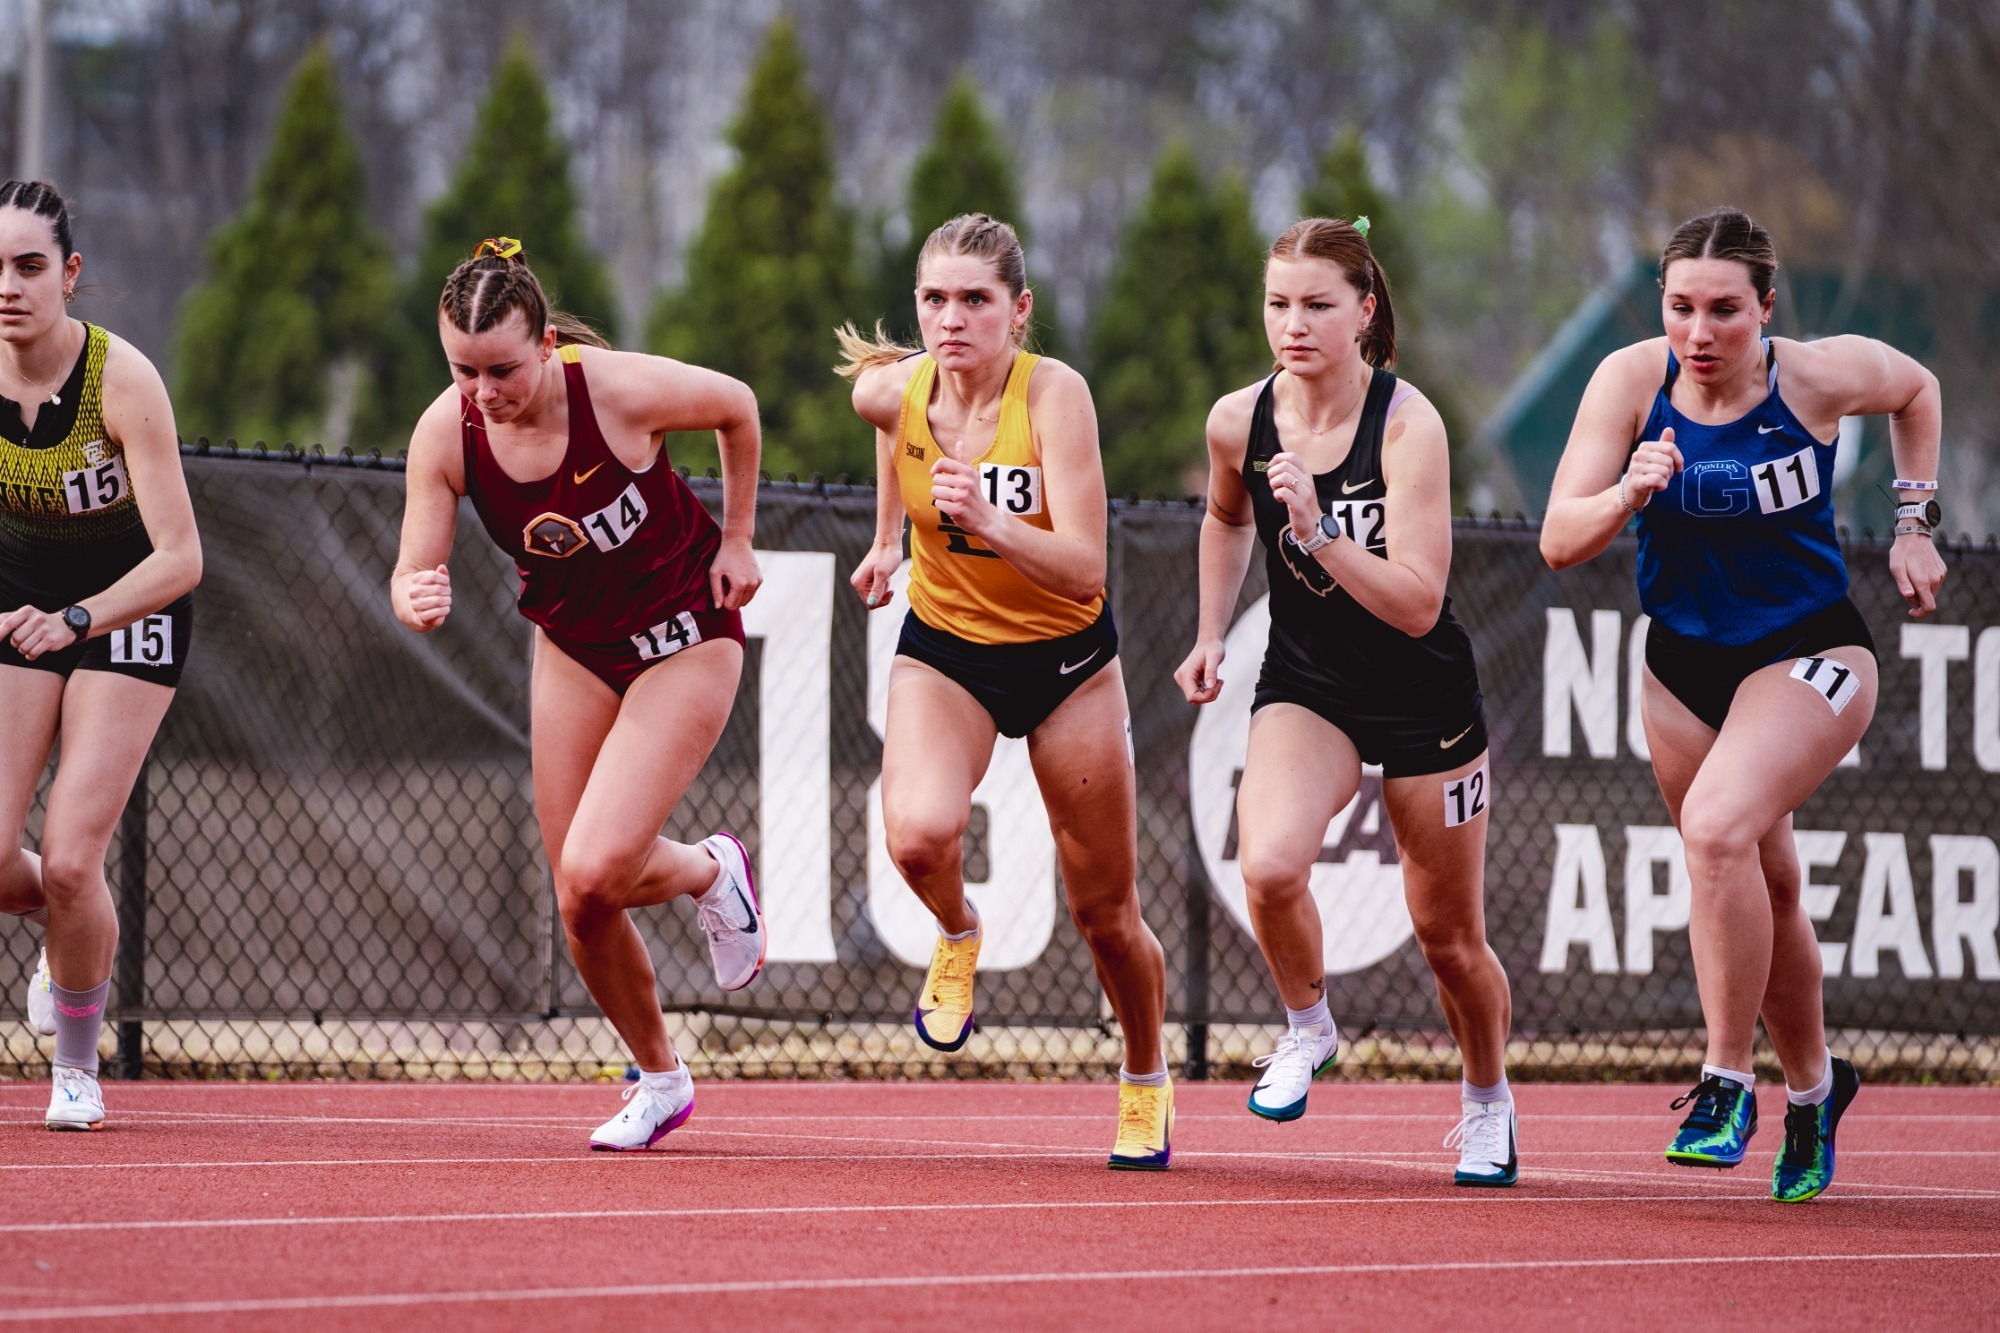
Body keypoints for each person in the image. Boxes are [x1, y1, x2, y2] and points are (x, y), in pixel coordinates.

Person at [1541, 206, 1945, 1202]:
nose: (1699, 332)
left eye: (1723, 309)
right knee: (1760, 893)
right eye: (1680, 307)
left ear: (1764, 307)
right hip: (1680, 669)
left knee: (1715, 830)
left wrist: (1912, 522)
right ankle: (1813, 1091)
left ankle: (1725, 1081)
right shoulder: (1630, 384)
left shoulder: (1812, 376)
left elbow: (1916, 389)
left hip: (1810, 650)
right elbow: (1557, 537)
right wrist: (1625, 494)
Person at [392, 239, 766, 1152]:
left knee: (597, 867)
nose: (485, 390)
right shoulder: (448, 434)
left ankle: (711, 875)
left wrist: (739, 539)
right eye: (463, 369)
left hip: (683, 636)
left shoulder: (617, 391)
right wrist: (415, 593)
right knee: (582, 896)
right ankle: (662, 1073)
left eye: (504, 369)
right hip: (574, 649)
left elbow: (739, 408)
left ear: (549, 343)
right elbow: (413, 564)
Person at [1174, 216, 1518, 1186]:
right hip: (1307, 683)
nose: (1293, 324)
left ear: (1363, 312)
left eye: (1317, 305)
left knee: (1449, 941)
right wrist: (1208, 634)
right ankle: (1306, 1024)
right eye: (1277, 304)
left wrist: (1320, 534)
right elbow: (1221, 516)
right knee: (1271, 865)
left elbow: (1415, 603)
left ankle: (1486, 1099)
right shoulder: (1236, 420)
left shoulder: (1406, 426)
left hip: (1421, 696)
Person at [837, 213, 1173, 1170]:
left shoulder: (1056, 398)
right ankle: (959, 931)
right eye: (935, 300)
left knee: (1106, 913)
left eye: (975, 300)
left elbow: (1085, 567)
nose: (953, 319)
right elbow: (887, 428)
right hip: (948, 649)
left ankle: (1145, 1076)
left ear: (1017, 312)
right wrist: (887, 538)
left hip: (1067, 663)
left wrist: (984, 513)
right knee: (917, 835)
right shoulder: (893, 389)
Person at [0, 181, 203, 1131]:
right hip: (23, 610)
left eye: (30, 266)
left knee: (76, 861)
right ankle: (71, 930)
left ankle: (76, 1067)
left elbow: (181, 556)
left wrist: (78, 617)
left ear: (70, 276)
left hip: (128, 610)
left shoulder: (122, 381)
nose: (9, 286)